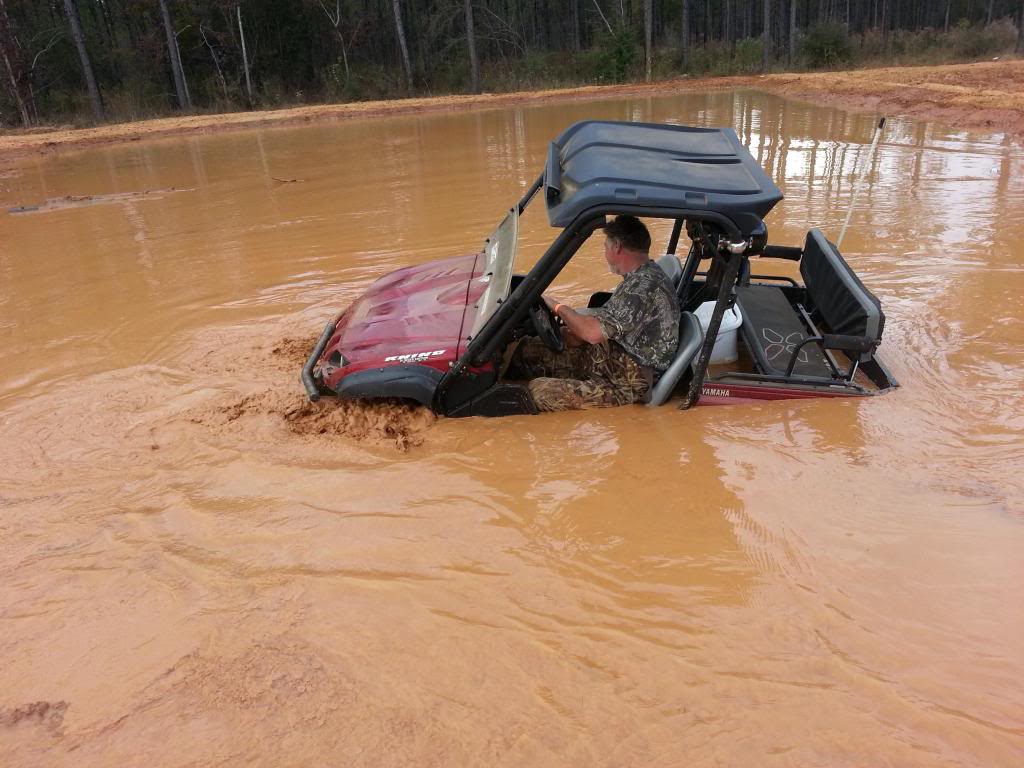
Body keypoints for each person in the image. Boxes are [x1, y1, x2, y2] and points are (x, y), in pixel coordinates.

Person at [507, 215, 681, 411]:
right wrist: (574, 334)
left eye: (605, 247)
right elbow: (609, 323)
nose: (605, 253)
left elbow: (593, 333)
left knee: (536, 393)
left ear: (617, 247)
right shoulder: (639, 277)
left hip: (628, 381)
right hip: (607, 359)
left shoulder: (642, 288)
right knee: (525, 352)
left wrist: (556, 306)